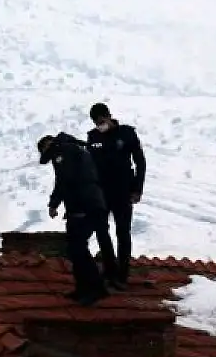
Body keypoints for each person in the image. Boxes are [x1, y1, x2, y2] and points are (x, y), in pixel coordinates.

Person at [38, 132, 111, 306]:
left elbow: (65, 180)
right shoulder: (73, 148)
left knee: (78, 247)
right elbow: (65, 180)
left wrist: (56, 204)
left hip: (85, 205)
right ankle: (83, 288)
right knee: (74, 247)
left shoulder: (62, 150)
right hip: (89, 204)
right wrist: (57, 203)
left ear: (48, 144)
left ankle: (95, 289)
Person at [86, 103, 146, 289]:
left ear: (109, 116)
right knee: (101, 231)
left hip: (123, 191)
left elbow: (140, 162)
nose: (100, 124)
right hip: (101, 193)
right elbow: (89, 166)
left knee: (122, 232)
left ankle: (122, 274)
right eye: (96, 122)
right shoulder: (93, 137)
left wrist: (137, 189)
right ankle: (109, 269)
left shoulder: (126, 133)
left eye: (102, 120)